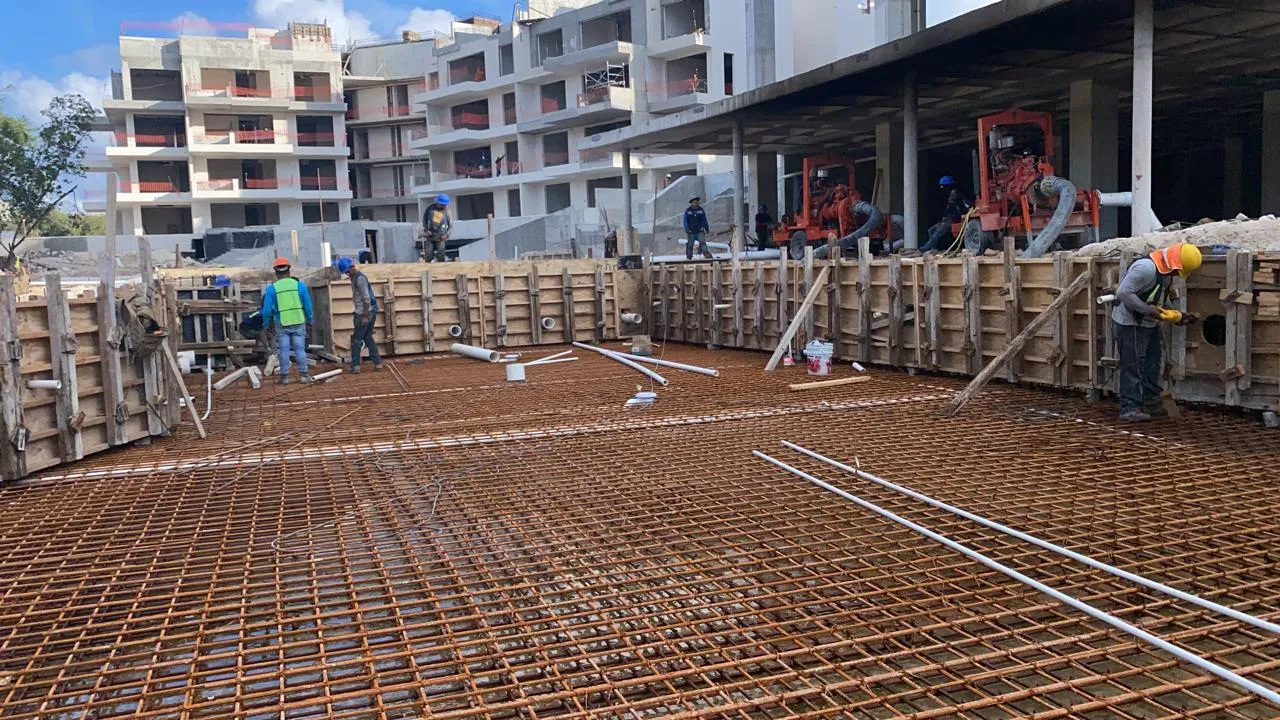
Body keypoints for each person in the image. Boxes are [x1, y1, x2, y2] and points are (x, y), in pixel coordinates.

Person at [1112, 242, 1203, 422]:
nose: (1177, 275)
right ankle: (1130, 408)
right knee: (1133, 366)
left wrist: (1177, 316)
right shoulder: (1146, 269)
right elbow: (1123, 293)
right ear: (1174, 265)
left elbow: (1159, 297)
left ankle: (1151, 402)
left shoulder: (1165, 272)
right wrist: (1148, 310)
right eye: (1178, 272)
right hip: (1130, 323)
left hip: (1148, 323)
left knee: (1152, 364)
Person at [260, 257, 314, 384]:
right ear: (289, 270)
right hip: (298, 321)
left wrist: (266, 324)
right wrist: (309, 319)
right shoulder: (300, 286)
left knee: (283, 350)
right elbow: (308, 306)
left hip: (282, 323)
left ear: (276, 272)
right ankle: (304, 375)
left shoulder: (272, 289)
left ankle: (284, 377)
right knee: (300, 349)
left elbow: (266, 310)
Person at [336, 257, 384, 375]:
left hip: (364, 312)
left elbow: (366, 298)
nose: (347, 274)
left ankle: (356, 366)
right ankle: (378, 363)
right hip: (369, 311)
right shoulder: (356, 278)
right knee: (368, 337)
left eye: (347, 271)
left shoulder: (360, 279)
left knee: (357, 340)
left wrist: (365, 316)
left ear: (352, 267)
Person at [920, 175, 972, 253]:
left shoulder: (954, 193)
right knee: (931, 230)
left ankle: (925, 248)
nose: (942, 188)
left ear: (948, 186)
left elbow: (952, 207)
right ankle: (934, 249)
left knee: (937, 233)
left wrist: (947, 216)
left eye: (943, 186)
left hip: (951, 219)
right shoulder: (950, 194)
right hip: (946, 219)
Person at [421, 194, 452, 262]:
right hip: (430, 235)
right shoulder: (430, 208)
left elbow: (450, 226)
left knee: (441, 254)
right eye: (442, 204)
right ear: (438, 202)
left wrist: (446, 235)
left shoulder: (447, 212)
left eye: (445, 205)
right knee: (428, 253)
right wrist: (426, 230)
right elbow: (424, 219)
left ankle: (441, 266)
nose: (444, 206)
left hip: (441, 237)